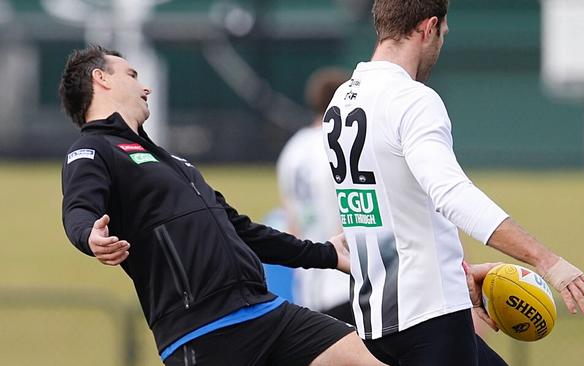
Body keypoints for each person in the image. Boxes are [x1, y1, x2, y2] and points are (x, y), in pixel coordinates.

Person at [58, 45, 387, 366]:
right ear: (101, 79)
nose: (146, 87)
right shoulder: (91, 149)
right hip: (203, 333)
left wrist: (327, 254)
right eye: (132, 75)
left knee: (369, 358)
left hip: (266, 311)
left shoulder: (174, 163)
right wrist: (90, 235)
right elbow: (79, 207)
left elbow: (243, 231)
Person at [321, 1, 584, 365]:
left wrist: (456, 273)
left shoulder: (341, 101)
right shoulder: (412, 99)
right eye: (443, 33)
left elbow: (385, 211)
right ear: (429, 28)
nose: (442, 41)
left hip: (375, 320)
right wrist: (547, 260)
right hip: (429, 317)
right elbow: (450, 193)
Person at [276, 67, 354, 324]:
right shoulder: (341, 145)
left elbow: (292, 223)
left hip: (309, 282)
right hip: (345, 279)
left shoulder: (293, 148)